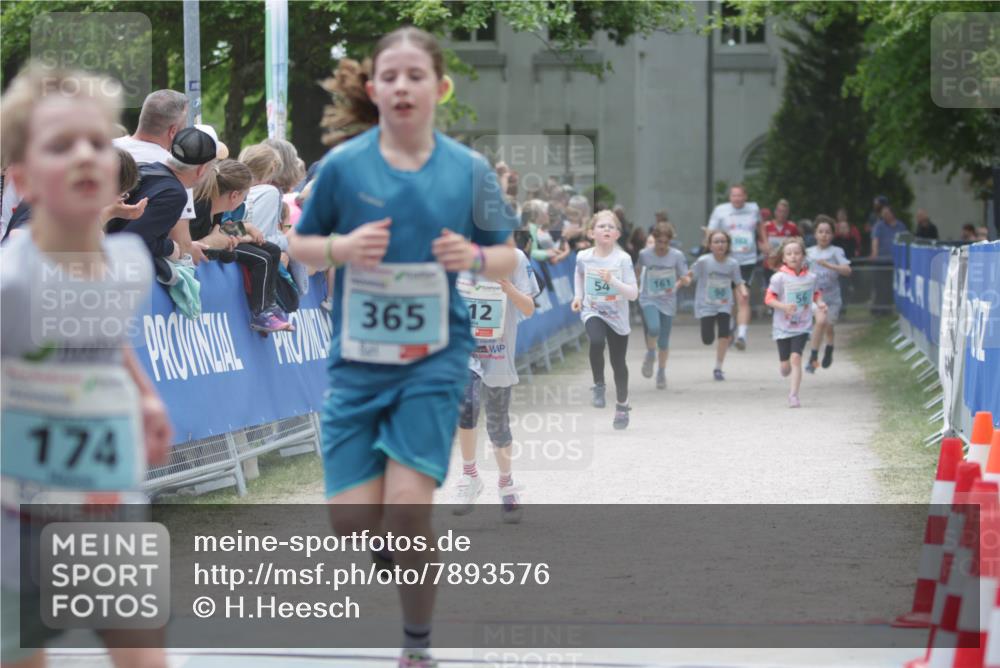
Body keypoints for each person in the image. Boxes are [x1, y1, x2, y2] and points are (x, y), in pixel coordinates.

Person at [287, 27, 517, 668]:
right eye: (390, 75)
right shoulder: (343, 167)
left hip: (434, 360)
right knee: (353, 524)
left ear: (438, 87)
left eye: (416, 75)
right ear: (373, 89)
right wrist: (340, 249)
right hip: (358, 364)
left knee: (409, 512)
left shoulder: (468, 170)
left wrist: (472, 255)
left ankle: (417, 645)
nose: (402, 85)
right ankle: (387, 537)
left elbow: (509, 251)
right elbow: (298, 246)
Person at [1, 64, 171, 668]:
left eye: (97, 142)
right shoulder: (11, 283)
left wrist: (144, 394)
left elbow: (101, 334)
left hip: (107, 501)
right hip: (17, 511)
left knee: (142, 651)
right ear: (22, 179)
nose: (83, 155)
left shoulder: (128, 263)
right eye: (59, 144)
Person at [453, 237, 539, 522]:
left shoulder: (514, 258)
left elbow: (528, 308)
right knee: (466, 403)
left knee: (497, 423)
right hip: (465, 349)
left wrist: (509, 289)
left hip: (499, 352)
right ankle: (469, 475)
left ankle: (506, 484)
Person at [191, 159, 294, 333]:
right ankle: (260, 313)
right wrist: (237, 234)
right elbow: (206, 239)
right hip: (197, 249)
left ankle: (269, 303)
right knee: (262, 259)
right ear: (234, 196)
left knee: (273, 250)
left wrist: (244, 229)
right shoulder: (200, 207)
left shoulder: (217, 207)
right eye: (245, 198)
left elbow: (222, 232)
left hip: (217, 243)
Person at [106, 127, 219, 283]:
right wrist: (170, 247)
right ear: (201, 170)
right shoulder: (175, 194)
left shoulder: (149, 168)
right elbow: (136, 241)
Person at [571, 210, 638, 429]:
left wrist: (613, 281)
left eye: (611, 227)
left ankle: (622, 405)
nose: (607, 229)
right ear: (591, 232)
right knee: (596, 341)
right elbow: (579, 274)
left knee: (618, 363)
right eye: (602, 226)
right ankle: (598, 384)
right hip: (594, 310)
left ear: (618, 234)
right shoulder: (584, 256)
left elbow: (633, 294)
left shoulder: (623, 259)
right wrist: (578, 296)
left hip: (617, 315)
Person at [764, 237, 828, 408]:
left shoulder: (811, 277)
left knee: (796, 358)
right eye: (789, 254)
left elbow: (816, 294)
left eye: (797, 253)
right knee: (785, 367)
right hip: (782, 327)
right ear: (784, 258)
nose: (793, 256)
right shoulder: (779, 278)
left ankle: (793, 395)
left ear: (803, 256)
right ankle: (784, 369)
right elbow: (769, 298)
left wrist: (820, 303)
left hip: (802, 325)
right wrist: (784, 306)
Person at [705, 184, 761, 350]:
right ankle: (730, 328)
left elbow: (761, 227)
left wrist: (764, 243)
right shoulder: (720, 211)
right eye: (733, 195)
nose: (737, 198)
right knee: (727, 300)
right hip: (726, 261)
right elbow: (710, 232)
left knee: (743, 298)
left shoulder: (753, 209)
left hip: (746, 261)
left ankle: (742, 336)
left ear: (745, 196)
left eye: (740, 195)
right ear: (730, 197)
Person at [686, 230, 746, 381]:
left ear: (728, 245)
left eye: (723, 242)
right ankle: (722, 337)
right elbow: (689, 275)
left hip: (724, 304)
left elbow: (738, 281)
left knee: (723, 335)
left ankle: (718, 368)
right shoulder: (704, 261)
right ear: (710, 245)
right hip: (706, 305)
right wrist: (681, 282)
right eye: (716, 242)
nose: (720, 245)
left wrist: (743, 292)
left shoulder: (732, 263)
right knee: (707, 339)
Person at [636, 222, 690, 389]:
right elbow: (637, 272)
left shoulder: (677, 256)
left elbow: (684, 276)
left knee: (664, 342)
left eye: (665, 242)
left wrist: (682, 283)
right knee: (654, 328)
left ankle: (661, 372)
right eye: (659, 242)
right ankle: (650, 353)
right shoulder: (645, 254)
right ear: (654, 239)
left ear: (670, 242)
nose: (662, 246)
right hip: (649, 298)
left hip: (667, 300)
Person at [805, 216, 851, 373]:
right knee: (820, 323)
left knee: (829, 328)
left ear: (832, 235)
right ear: (815, 234)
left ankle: (829, 348)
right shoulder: (808, 253)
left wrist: (829, 265)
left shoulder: (836, 251)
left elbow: (847, 270)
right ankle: (813, 359)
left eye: (827, 232)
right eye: (820, 232)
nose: (824, 235)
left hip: (832, 298)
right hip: (817, 298)